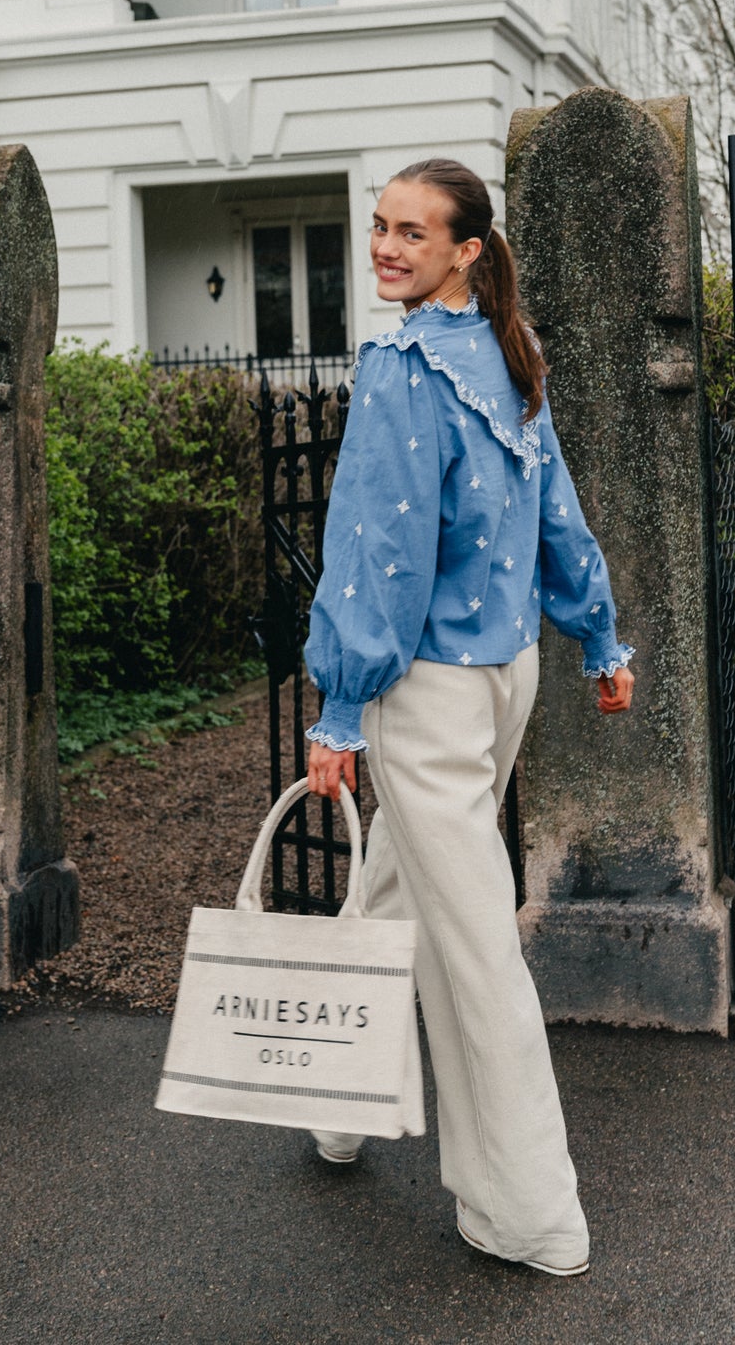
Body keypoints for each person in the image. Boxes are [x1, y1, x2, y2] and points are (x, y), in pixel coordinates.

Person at [302, 157, 635, 1277]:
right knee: (409, 884)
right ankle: (336, 1101)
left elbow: (375, 553)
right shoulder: (510, 355)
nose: (387, 248)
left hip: (433, 693)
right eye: (380, 228)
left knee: (477, 943)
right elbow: (561, 513)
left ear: (465, 252)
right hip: (504, 678)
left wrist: (342, 707)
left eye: (411, 233)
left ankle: (528, 1210)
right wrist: (597, 636)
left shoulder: (406, 367)